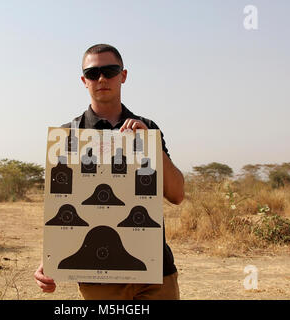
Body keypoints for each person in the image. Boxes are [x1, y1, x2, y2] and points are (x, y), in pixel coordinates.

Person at [34, 44, 185, 300]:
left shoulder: (147, 129)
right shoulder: (68, 136)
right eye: (93, 73)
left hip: (155, 274)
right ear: (84, 80)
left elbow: (177, 194)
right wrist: (51, 258)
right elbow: (63, 205)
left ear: (123, 75)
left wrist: (150, 145)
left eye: (110, 71)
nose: (101, 78)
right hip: (97, 279)